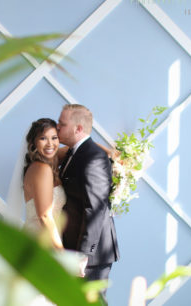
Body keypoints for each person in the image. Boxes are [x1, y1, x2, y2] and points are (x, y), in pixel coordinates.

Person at [57, 104, 119, 302]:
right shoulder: (73, 152)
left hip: (91, 256)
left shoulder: (94, 158)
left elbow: (95, 208)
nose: (57, 127)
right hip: (71, 247)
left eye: (61, 124)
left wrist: (83, 255)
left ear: (78, 129)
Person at [22, 118, 65, 250]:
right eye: (43, 138)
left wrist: (111, 153)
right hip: (37, 243)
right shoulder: (42, 168)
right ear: (34, 143)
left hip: (47, 240)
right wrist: (63, 254)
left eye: (54, 138)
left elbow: (78, 147)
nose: (50, 144)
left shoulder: (51, 160)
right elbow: (45, 216)